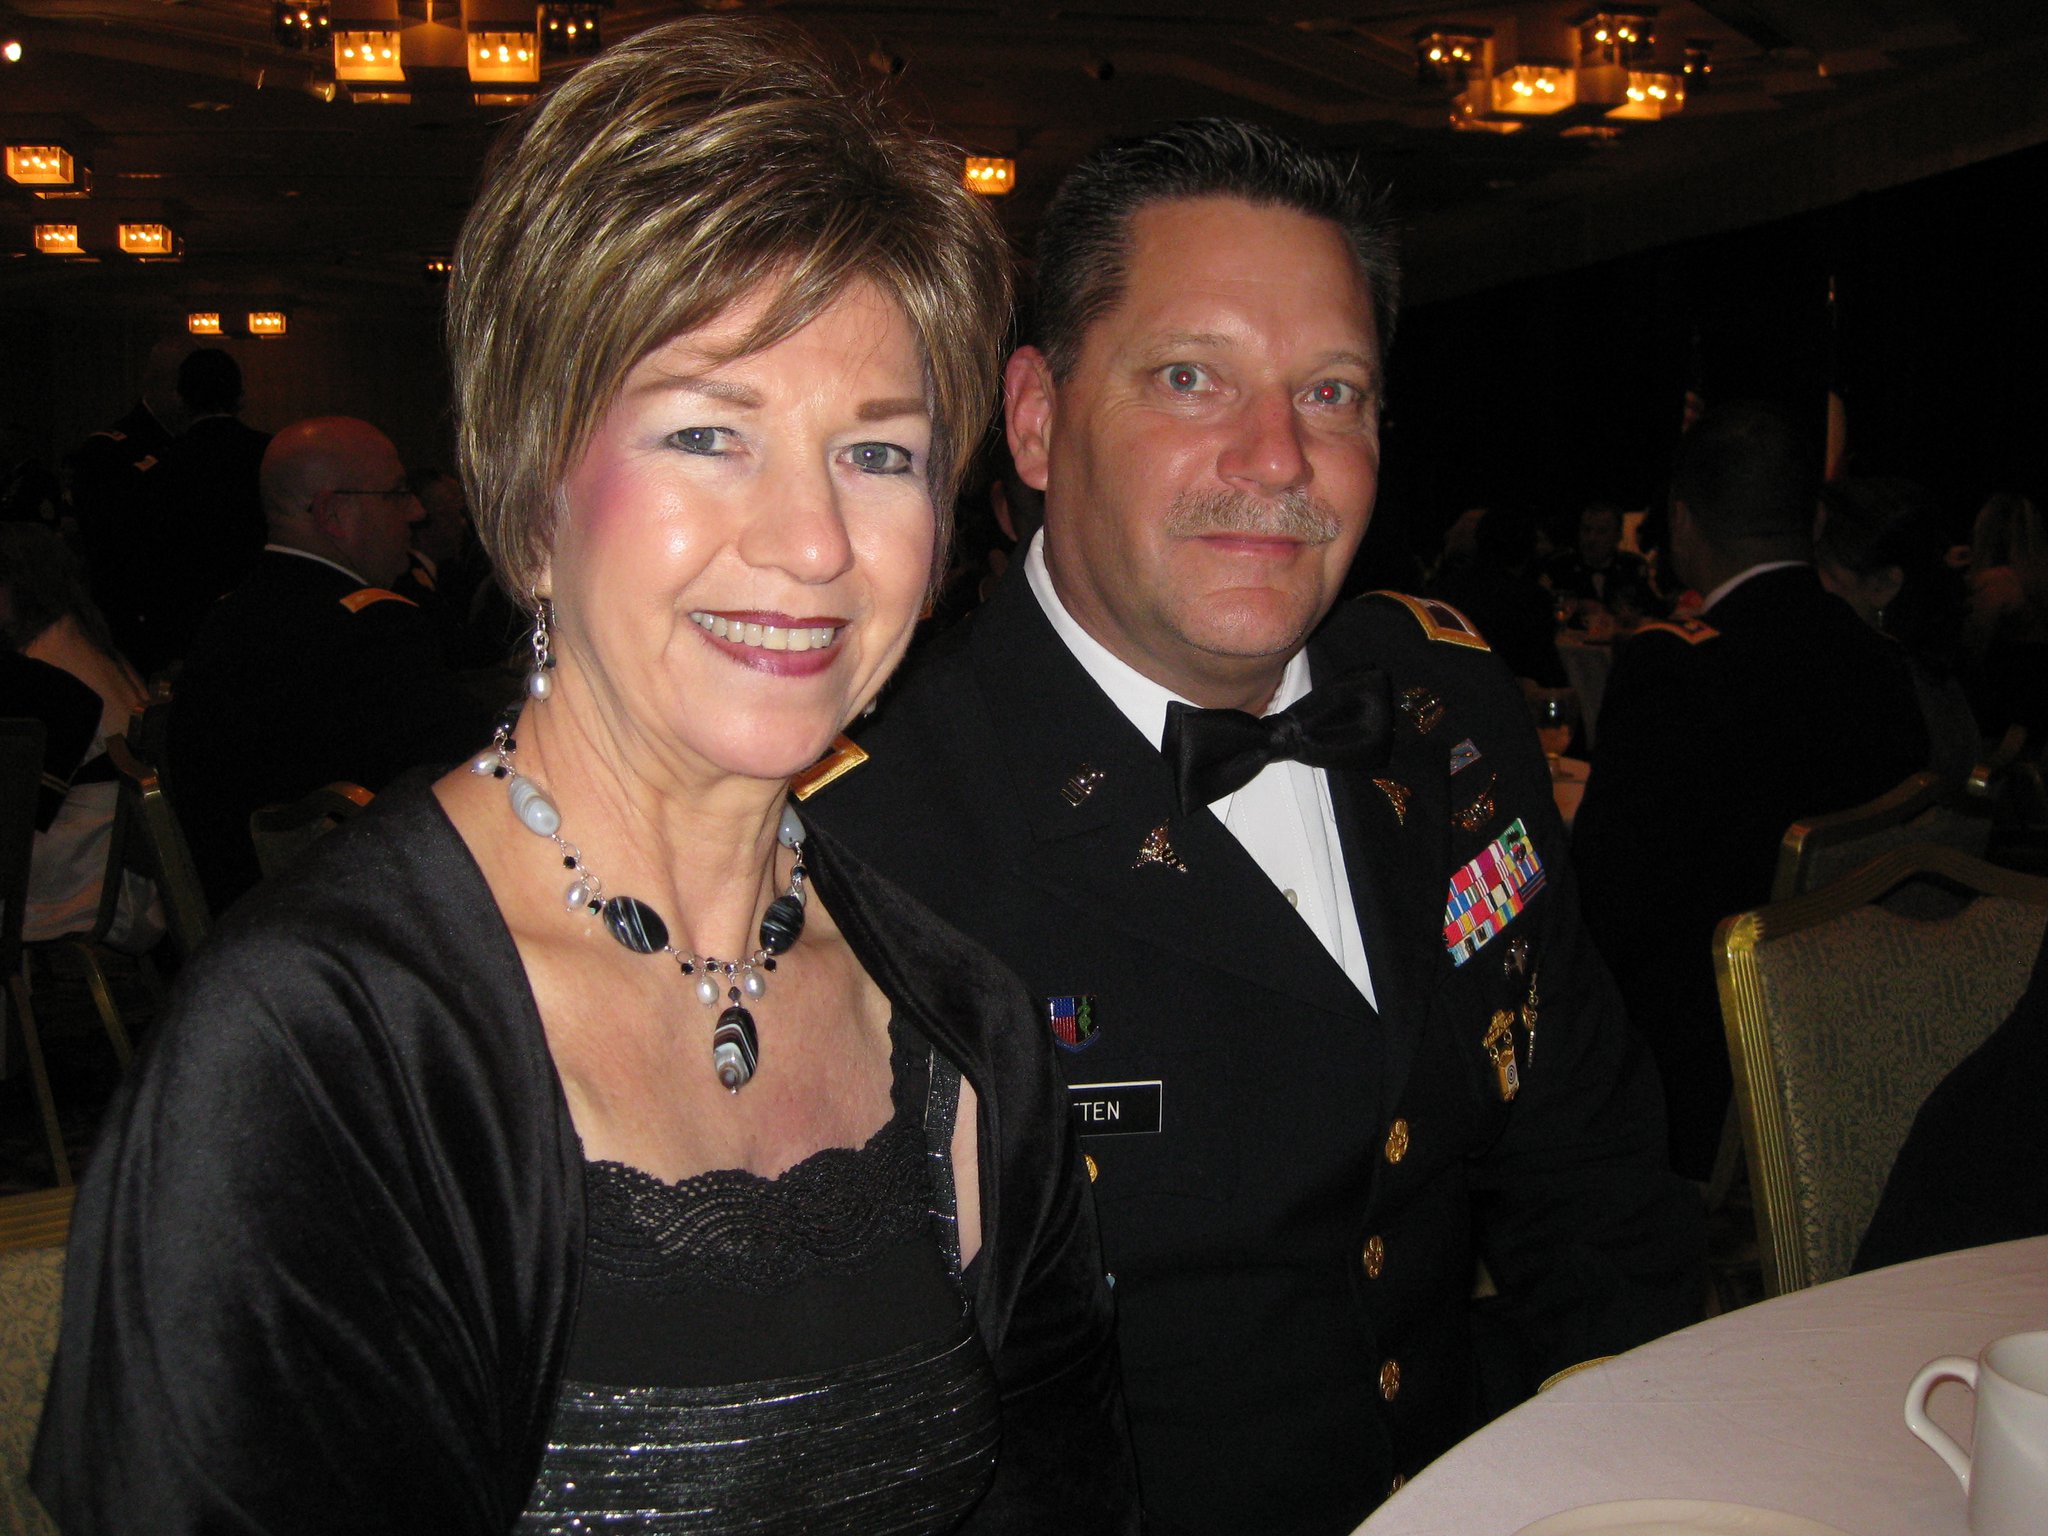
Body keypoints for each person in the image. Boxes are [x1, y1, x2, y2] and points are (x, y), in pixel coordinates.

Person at [33, 18, 1135, 1533]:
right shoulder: (315, 1056)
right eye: (708, 431)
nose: (813, 542)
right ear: (532, 492)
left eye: (878, 454)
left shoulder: (969, 1022)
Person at [809, 117, 1702, 1535]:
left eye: (1330, 392)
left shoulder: (1447, 713)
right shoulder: (875, 836)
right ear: (1035, 418)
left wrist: (1621, 1473)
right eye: (1189, 377)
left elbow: (1593, 1174)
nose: (1279, 458)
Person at [1573, 404, 1930, 1181]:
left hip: (1712, 1074)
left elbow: (1608, 900)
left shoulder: (1676, 670)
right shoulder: (1882, 663)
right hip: (1866, 1043)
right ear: (1813, 520)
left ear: (1682, 522)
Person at [166, 414, 501, 911]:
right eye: (397, 493)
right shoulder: (369, 628)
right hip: (345, 918)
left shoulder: (227, 617)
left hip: (250, 912)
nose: (415, 512)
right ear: (333, 514)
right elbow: (478, 766)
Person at [0, 524, 161, 950]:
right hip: (130, 873)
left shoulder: (44, 668)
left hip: (90, 879)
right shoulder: (87, 643)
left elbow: (22, 810)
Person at [1813, 475, 1980, 786]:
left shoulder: (1872, 689)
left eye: (1822, 567)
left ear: (1883, 584)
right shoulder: (1926, 668)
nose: (1806, 581)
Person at [141, 346, 272, 665]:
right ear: (241, 397)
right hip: (261, 605)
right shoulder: (270, 454)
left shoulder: (164, 464)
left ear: (180, 398)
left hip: (189, 616)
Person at [1544, 501, 1655, 624]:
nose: (1591, 538)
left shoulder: (1632, 567)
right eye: (1586, 530)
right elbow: (1542, 605)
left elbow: (1652, 608)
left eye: (1601, 531)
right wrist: (1577, 605)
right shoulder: (1560, 566)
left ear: (1618, 535)